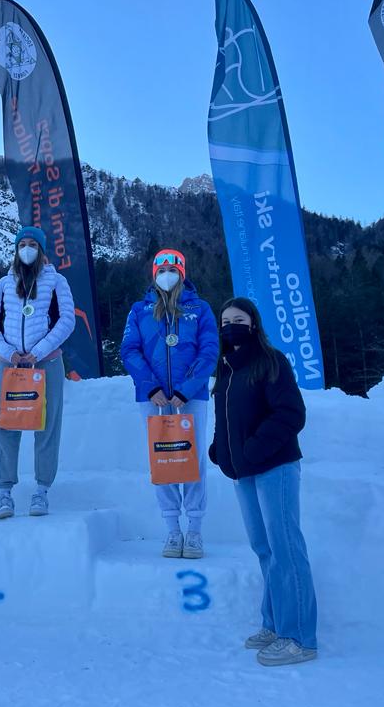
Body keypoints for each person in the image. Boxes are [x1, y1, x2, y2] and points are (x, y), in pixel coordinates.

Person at [209, 297, 318, 667]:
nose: (231, 326)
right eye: (225, 321)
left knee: (286, 548)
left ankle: (299, 638)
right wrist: (220, 448)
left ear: (253, 324)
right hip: (244, 472)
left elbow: (291, 413)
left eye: (238, 319)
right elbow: (227, 417)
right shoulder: (226, 368)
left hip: (275, 467)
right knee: (265, 549)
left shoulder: (272, 362)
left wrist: (255, 447)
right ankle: (275, 625)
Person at [121, 249, 218, 559]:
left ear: (182, 273)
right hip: (153, 399)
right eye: (161, 270)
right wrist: (150, 387)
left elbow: (209, 351)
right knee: (162, 460)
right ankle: (173, 529)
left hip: (191, 398)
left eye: (172, 269)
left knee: (193, 461)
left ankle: (195, 530)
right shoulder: (139, 310)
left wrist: (187, 390)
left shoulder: (200, 309)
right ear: (154, 275)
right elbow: (130, 350)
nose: (166, 275)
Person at [0, 226, 75, 519]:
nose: (26, 249)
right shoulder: (3, 283)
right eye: (22, 244)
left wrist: (40, 350)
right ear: (15, 249)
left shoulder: (56, 281)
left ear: (41, 249)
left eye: (32, 244)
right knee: (6, 425)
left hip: (46, 363)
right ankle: (4, 493)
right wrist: (7, 351)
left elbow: (67, 320)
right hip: (10, 363)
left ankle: (42, 490)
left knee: (47, 426)